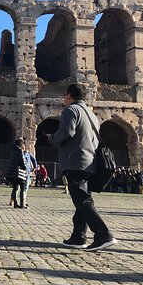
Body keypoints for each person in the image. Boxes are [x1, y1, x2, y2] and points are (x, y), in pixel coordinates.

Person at [48, 83, 117, 251]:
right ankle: (78, 237)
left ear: (70, 96)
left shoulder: (71, 111)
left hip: (76, 162)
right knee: (82, 199)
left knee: (82, 200)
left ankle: (103, 234)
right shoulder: (92, 115)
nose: (64, 98)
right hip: (91, 163)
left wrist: (52, 138)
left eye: (65, 95)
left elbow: (67, 133)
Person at [6, 138, 28, 209]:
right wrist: (24, 167)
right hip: (19, 173)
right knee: (22, 187)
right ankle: (22, 204)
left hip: (13, 173)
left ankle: (15, 203)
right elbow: (21, 161)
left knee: (15, 188)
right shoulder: (20, 150)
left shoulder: (13, 151)